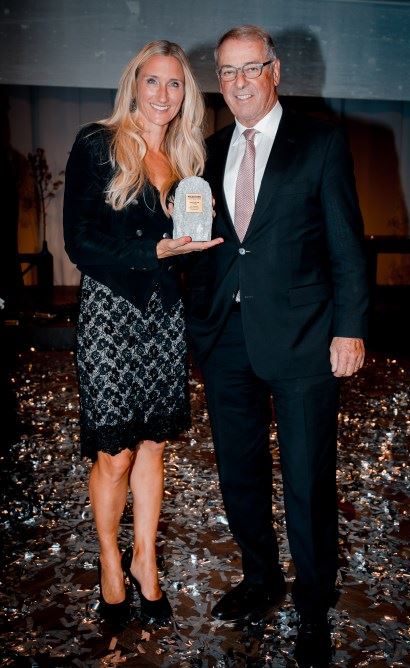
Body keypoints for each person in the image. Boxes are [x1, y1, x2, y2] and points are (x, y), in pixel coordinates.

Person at [186, 25, 368, 665]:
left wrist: (350, 327)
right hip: (227, 339)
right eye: (227, 72)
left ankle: (313, 604)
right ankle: (260, 579)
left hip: (304, 338)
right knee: (239, 471)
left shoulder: (320, 142)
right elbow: (209, 247)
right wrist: (198, 322)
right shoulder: (208, 152)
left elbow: (347, 243)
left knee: (307, 479)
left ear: (275, 71)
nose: (238, 83)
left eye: (250, 68)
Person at [63, 40, 222, 625]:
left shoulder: (187, 159)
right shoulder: (97, 143)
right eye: (152, 81)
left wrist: (200, 250)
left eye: (174, 83)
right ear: (134, 84)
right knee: (114, 454)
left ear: (186, 94)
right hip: (109, 312)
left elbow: (191, 248)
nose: (163, 93)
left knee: (153, 445)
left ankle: (145, 561)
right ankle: (110, 558)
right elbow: (78, 242)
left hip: (163, 316)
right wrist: (152, 250)